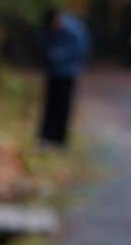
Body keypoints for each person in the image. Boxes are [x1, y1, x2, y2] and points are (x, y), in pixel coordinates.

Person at [38, 8, 91, 146]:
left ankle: (60, 139)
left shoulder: (73, 29)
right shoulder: (51, 30)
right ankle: (46, 136)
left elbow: (81, 49)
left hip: (68, 73)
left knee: (63, 106)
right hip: (54, 72)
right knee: (50, 105)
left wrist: (60, 55)